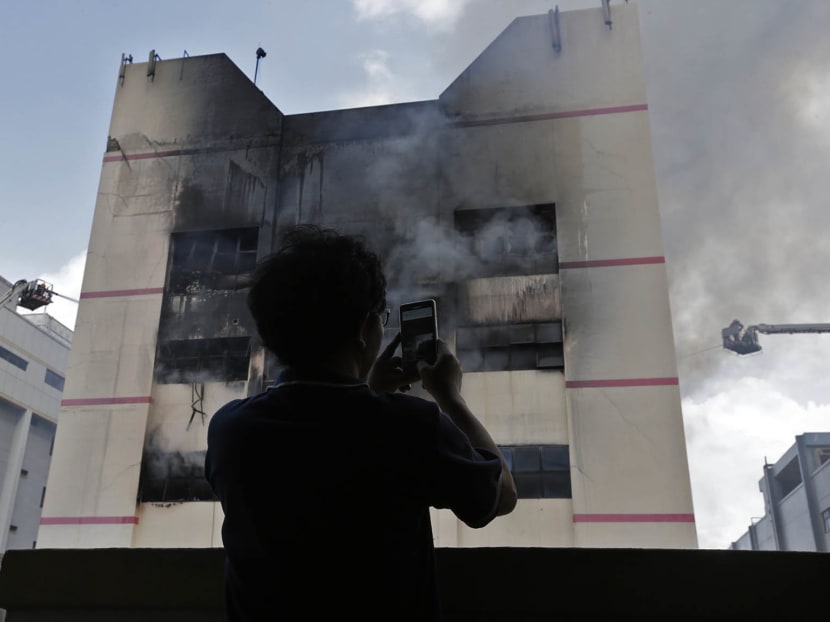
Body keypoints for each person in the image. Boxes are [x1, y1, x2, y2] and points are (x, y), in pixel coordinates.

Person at [205, 225, 517, 621]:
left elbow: (321, 451)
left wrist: (368, 389)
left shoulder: (229, 429)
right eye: (381, 318)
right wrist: (449, 396)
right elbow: (500, 497)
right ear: (365, 328)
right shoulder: (410, 427)